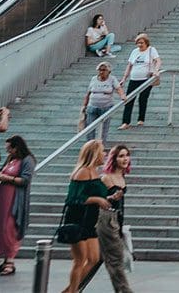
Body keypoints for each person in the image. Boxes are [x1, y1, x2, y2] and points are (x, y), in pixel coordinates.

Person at [59, 141, 113, 293]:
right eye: (102, 151)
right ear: (94, 154)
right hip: (77, 220)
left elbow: (98, 194)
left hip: (90, 221)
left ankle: (69, 290)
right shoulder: (83, 172)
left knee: (94, 259)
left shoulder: (95, 172)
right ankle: (72, 291)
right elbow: (73, 199)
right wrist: (97, 200)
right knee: (80, 260)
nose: (105, 154)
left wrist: (110, 197)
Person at [0, 135, 35, 276]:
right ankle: (4, 260)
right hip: (3, 197)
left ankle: (10, 261)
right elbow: (3, 171)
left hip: (15, 198)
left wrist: (6, 178)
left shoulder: (28, 160)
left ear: (17, 147)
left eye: (10, 148)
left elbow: (25, 180)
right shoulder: (11, 159)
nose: (8, 151)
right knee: (1, 228)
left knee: (10, 228)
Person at [92, 144, 134, 293]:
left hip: (117, 219)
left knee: (103, 259)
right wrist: (111, 197)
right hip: (106, 219)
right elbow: (97, 200)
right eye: (121, 156)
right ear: (114, 159)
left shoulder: (121, 176)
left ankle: (75, 287)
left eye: (126, 155)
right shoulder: (106, 178)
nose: (125, 159)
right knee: (116, 258)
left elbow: (121, 204)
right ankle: (124, 290)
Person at [115, 34, 159, 129]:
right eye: (138, 43)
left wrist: (156, 70)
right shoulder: (134, 52)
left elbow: (158, 61)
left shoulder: (151, 50)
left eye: (141, 43)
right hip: (134, 79)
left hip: (146, 79)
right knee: (129, 99)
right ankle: (126, 122)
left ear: (146, 43)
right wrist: (124, 78)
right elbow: (129, 65)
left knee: (143, 99)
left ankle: (141, 120)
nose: (139, 45)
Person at [80, 61, 124, 144]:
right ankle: (90, 146)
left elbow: (118, 88)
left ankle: (101, 146)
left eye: (104, 70)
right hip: (92, 106)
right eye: (100, 70)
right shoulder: (94, 79)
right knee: (90, 127)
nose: (101, 72)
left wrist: (122, 96)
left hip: (106, 107)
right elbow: (88, 93)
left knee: (104, 128)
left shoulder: (112, 79)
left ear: (109, 71)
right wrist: (84, 105)